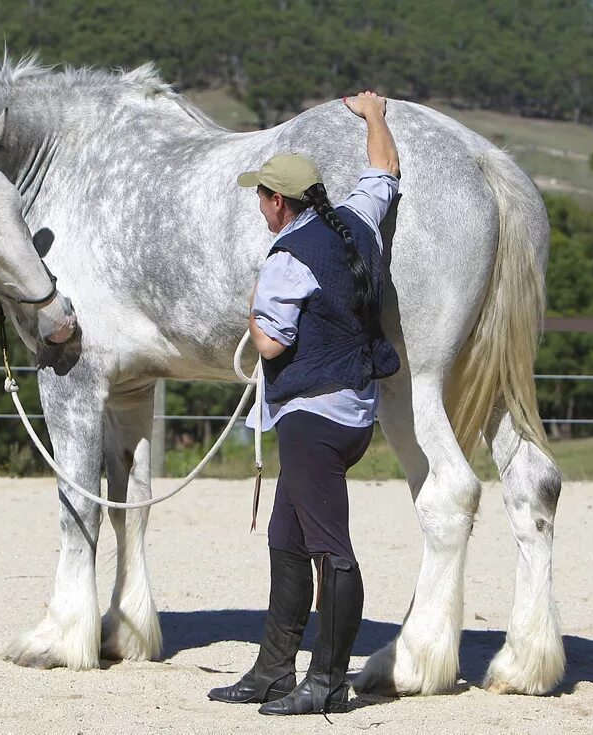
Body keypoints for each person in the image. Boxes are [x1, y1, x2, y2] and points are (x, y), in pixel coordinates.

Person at [207, 91, 401, 716]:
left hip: (312, 417)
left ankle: (328, 684)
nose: (260, 205)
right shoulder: (355, 223)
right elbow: (384, 175)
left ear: (278, 201)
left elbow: (269, 342)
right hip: (350, 411)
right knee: (287, 538)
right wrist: (374, 116)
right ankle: (272, 670)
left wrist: (252, 303)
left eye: (262, 195)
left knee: (330, 550)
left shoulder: (288, 257)